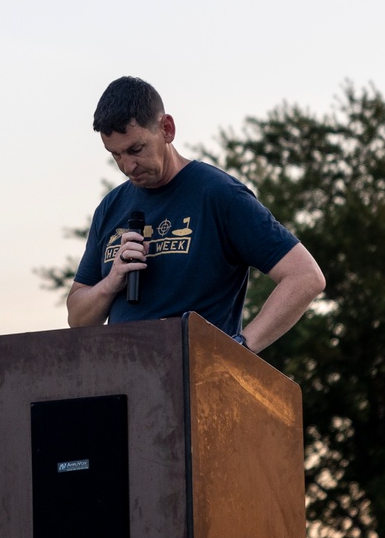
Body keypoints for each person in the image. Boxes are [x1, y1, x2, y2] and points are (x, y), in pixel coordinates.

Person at [66, 76, 325, 352]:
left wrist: (240, 350)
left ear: (167, 129)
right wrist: (110, 282)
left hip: (194, 385)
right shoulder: (110, 208)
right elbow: (77, 318)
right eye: (115, 155)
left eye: (136, 149)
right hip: (122, 384)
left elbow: (305, 276)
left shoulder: (219, 194)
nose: (128, 166)